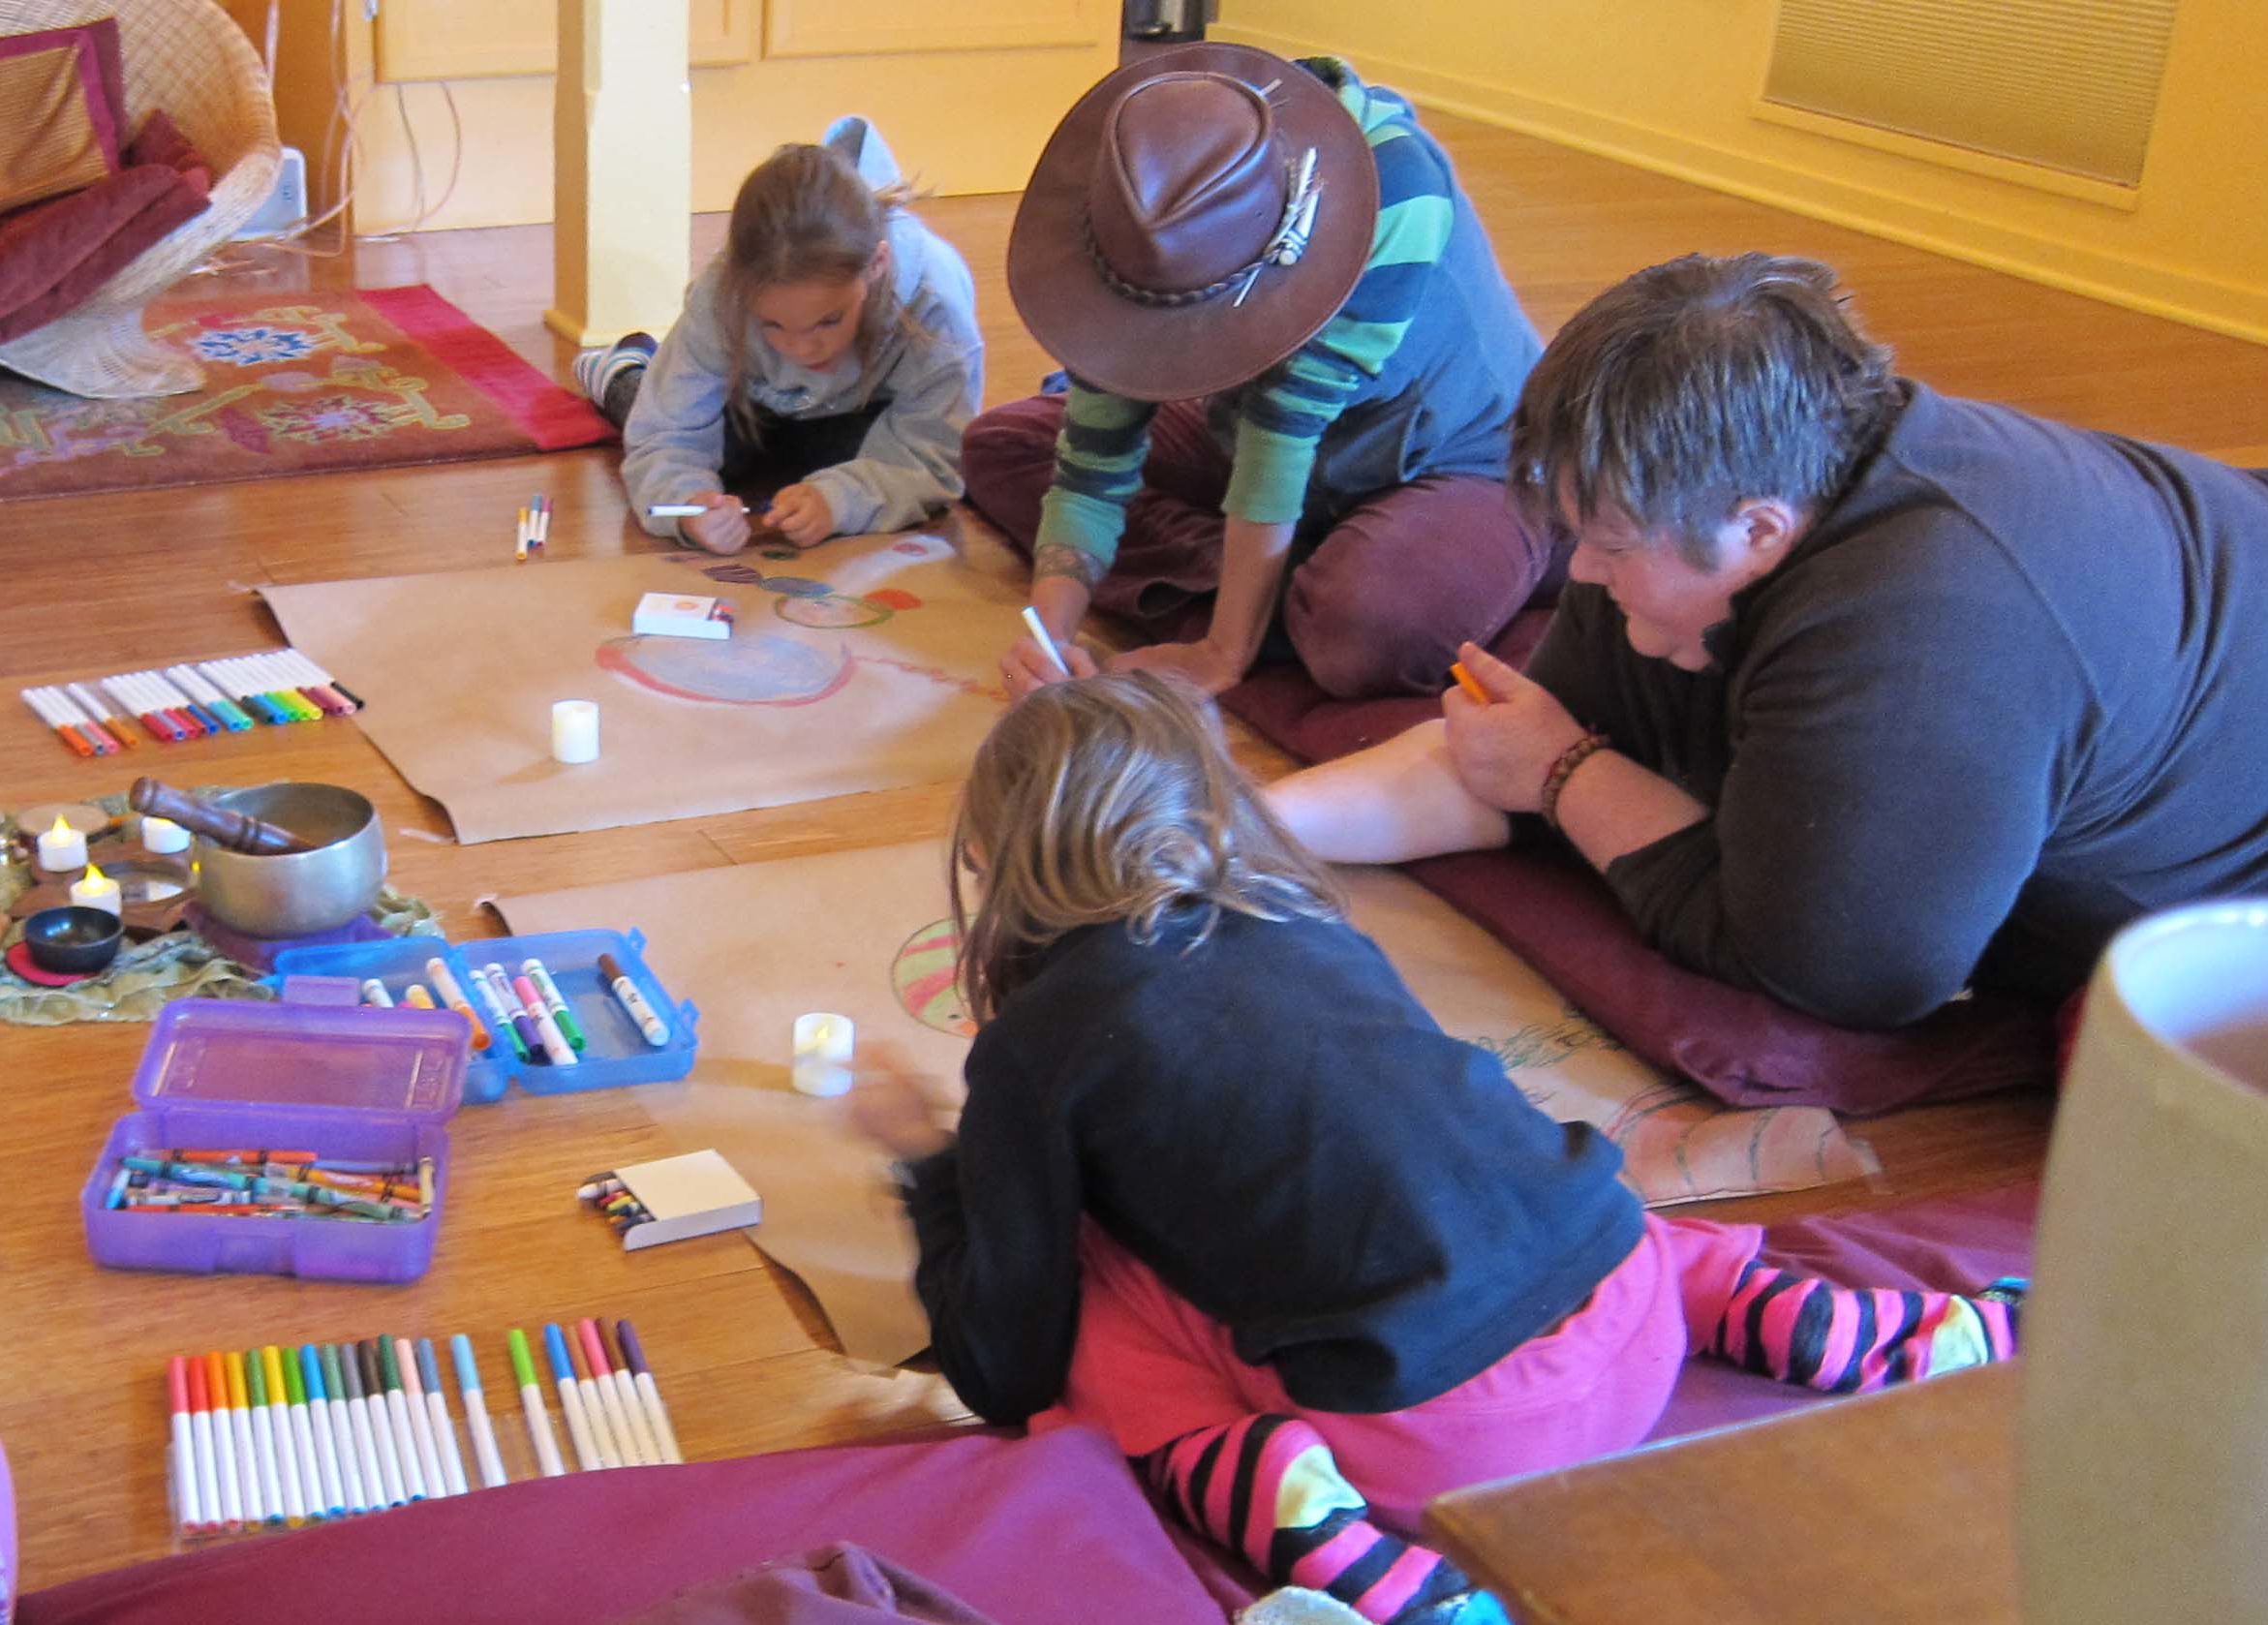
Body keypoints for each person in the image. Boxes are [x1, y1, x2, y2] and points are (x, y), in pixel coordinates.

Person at [850, 672, 2021, 1625]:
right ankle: (1877, 1332)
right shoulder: (1310, 926)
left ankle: (1326, 1538)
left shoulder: (1034, 1049)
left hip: (1442, 1449)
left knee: (1099, 1311)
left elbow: (999, 1361)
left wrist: (932, 1166)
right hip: (1637, 1329)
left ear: (1000, 862)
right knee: (1555, 1199)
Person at [1270, 252, 2268, 1029]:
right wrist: (1204, 825)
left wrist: (1571, 775)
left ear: (1756, 530)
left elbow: (1840, 973)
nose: (1578, 573)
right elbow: (1501, 749)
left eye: (1609, 544)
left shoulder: (1920, 637)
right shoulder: (1697, 505)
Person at [964, 45, 1557, 702]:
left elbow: (1281, 438)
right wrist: (1049, 637)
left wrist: (1224, 652)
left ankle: (1275, 590)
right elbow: (1093, 457)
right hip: (1254, 436)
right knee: (1004, 443)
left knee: (1370, 630)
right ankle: (1280, 583)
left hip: (1460, 461)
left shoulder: (1395, 192)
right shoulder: (1133, 197)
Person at [573, 118, 983, 554]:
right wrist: (688, 507)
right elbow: (665, 431)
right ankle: (625, 369)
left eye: (828, 321)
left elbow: (933, 455)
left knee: (900, 471)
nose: (803, 349)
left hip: (858, 418)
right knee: (664, 418)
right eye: (772, 325)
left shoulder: (936, 304)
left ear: (877, 265)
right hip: (748, 406)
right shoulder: (720, 295)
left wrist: (839, 500)